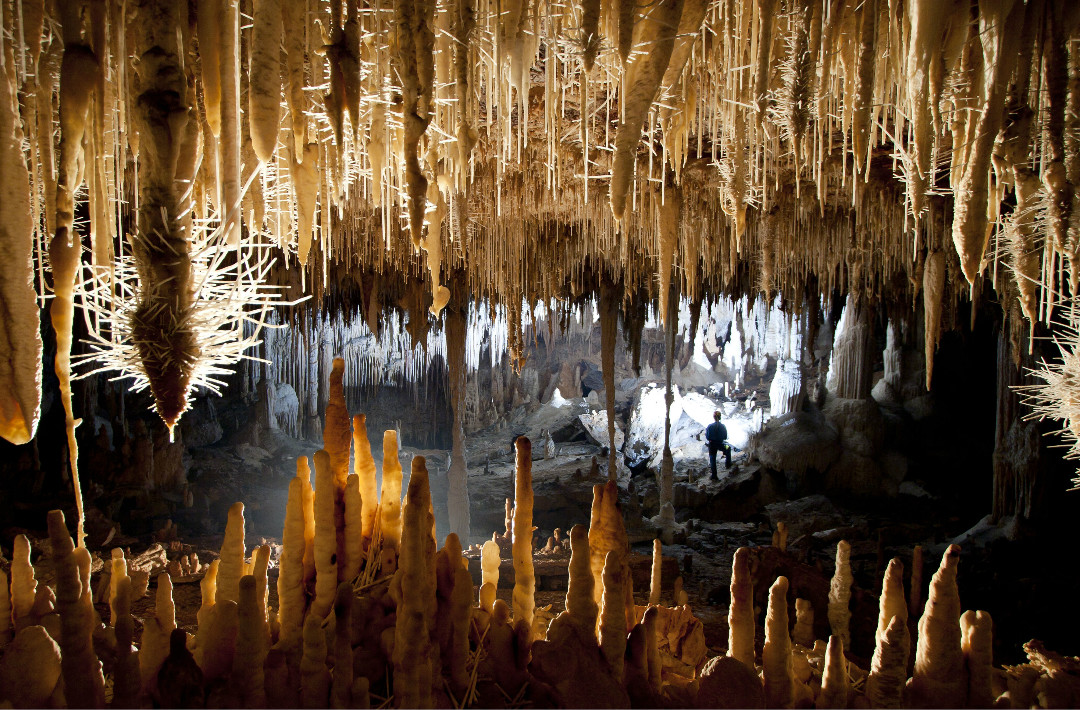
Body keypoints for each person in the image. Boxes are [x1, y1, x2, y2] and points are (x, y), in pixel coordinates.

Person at [704, 411, 732, 480]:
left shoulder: (710, 426)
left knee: (712, 458)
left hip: (712, 444)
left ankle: (714, 475)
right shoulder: (722, 426)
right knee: (728, 448)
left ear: (714, 417)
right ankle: (728, 464)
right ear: (720, 417)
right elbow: (725, 437)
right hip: (720, 444)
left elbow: (707, 437)